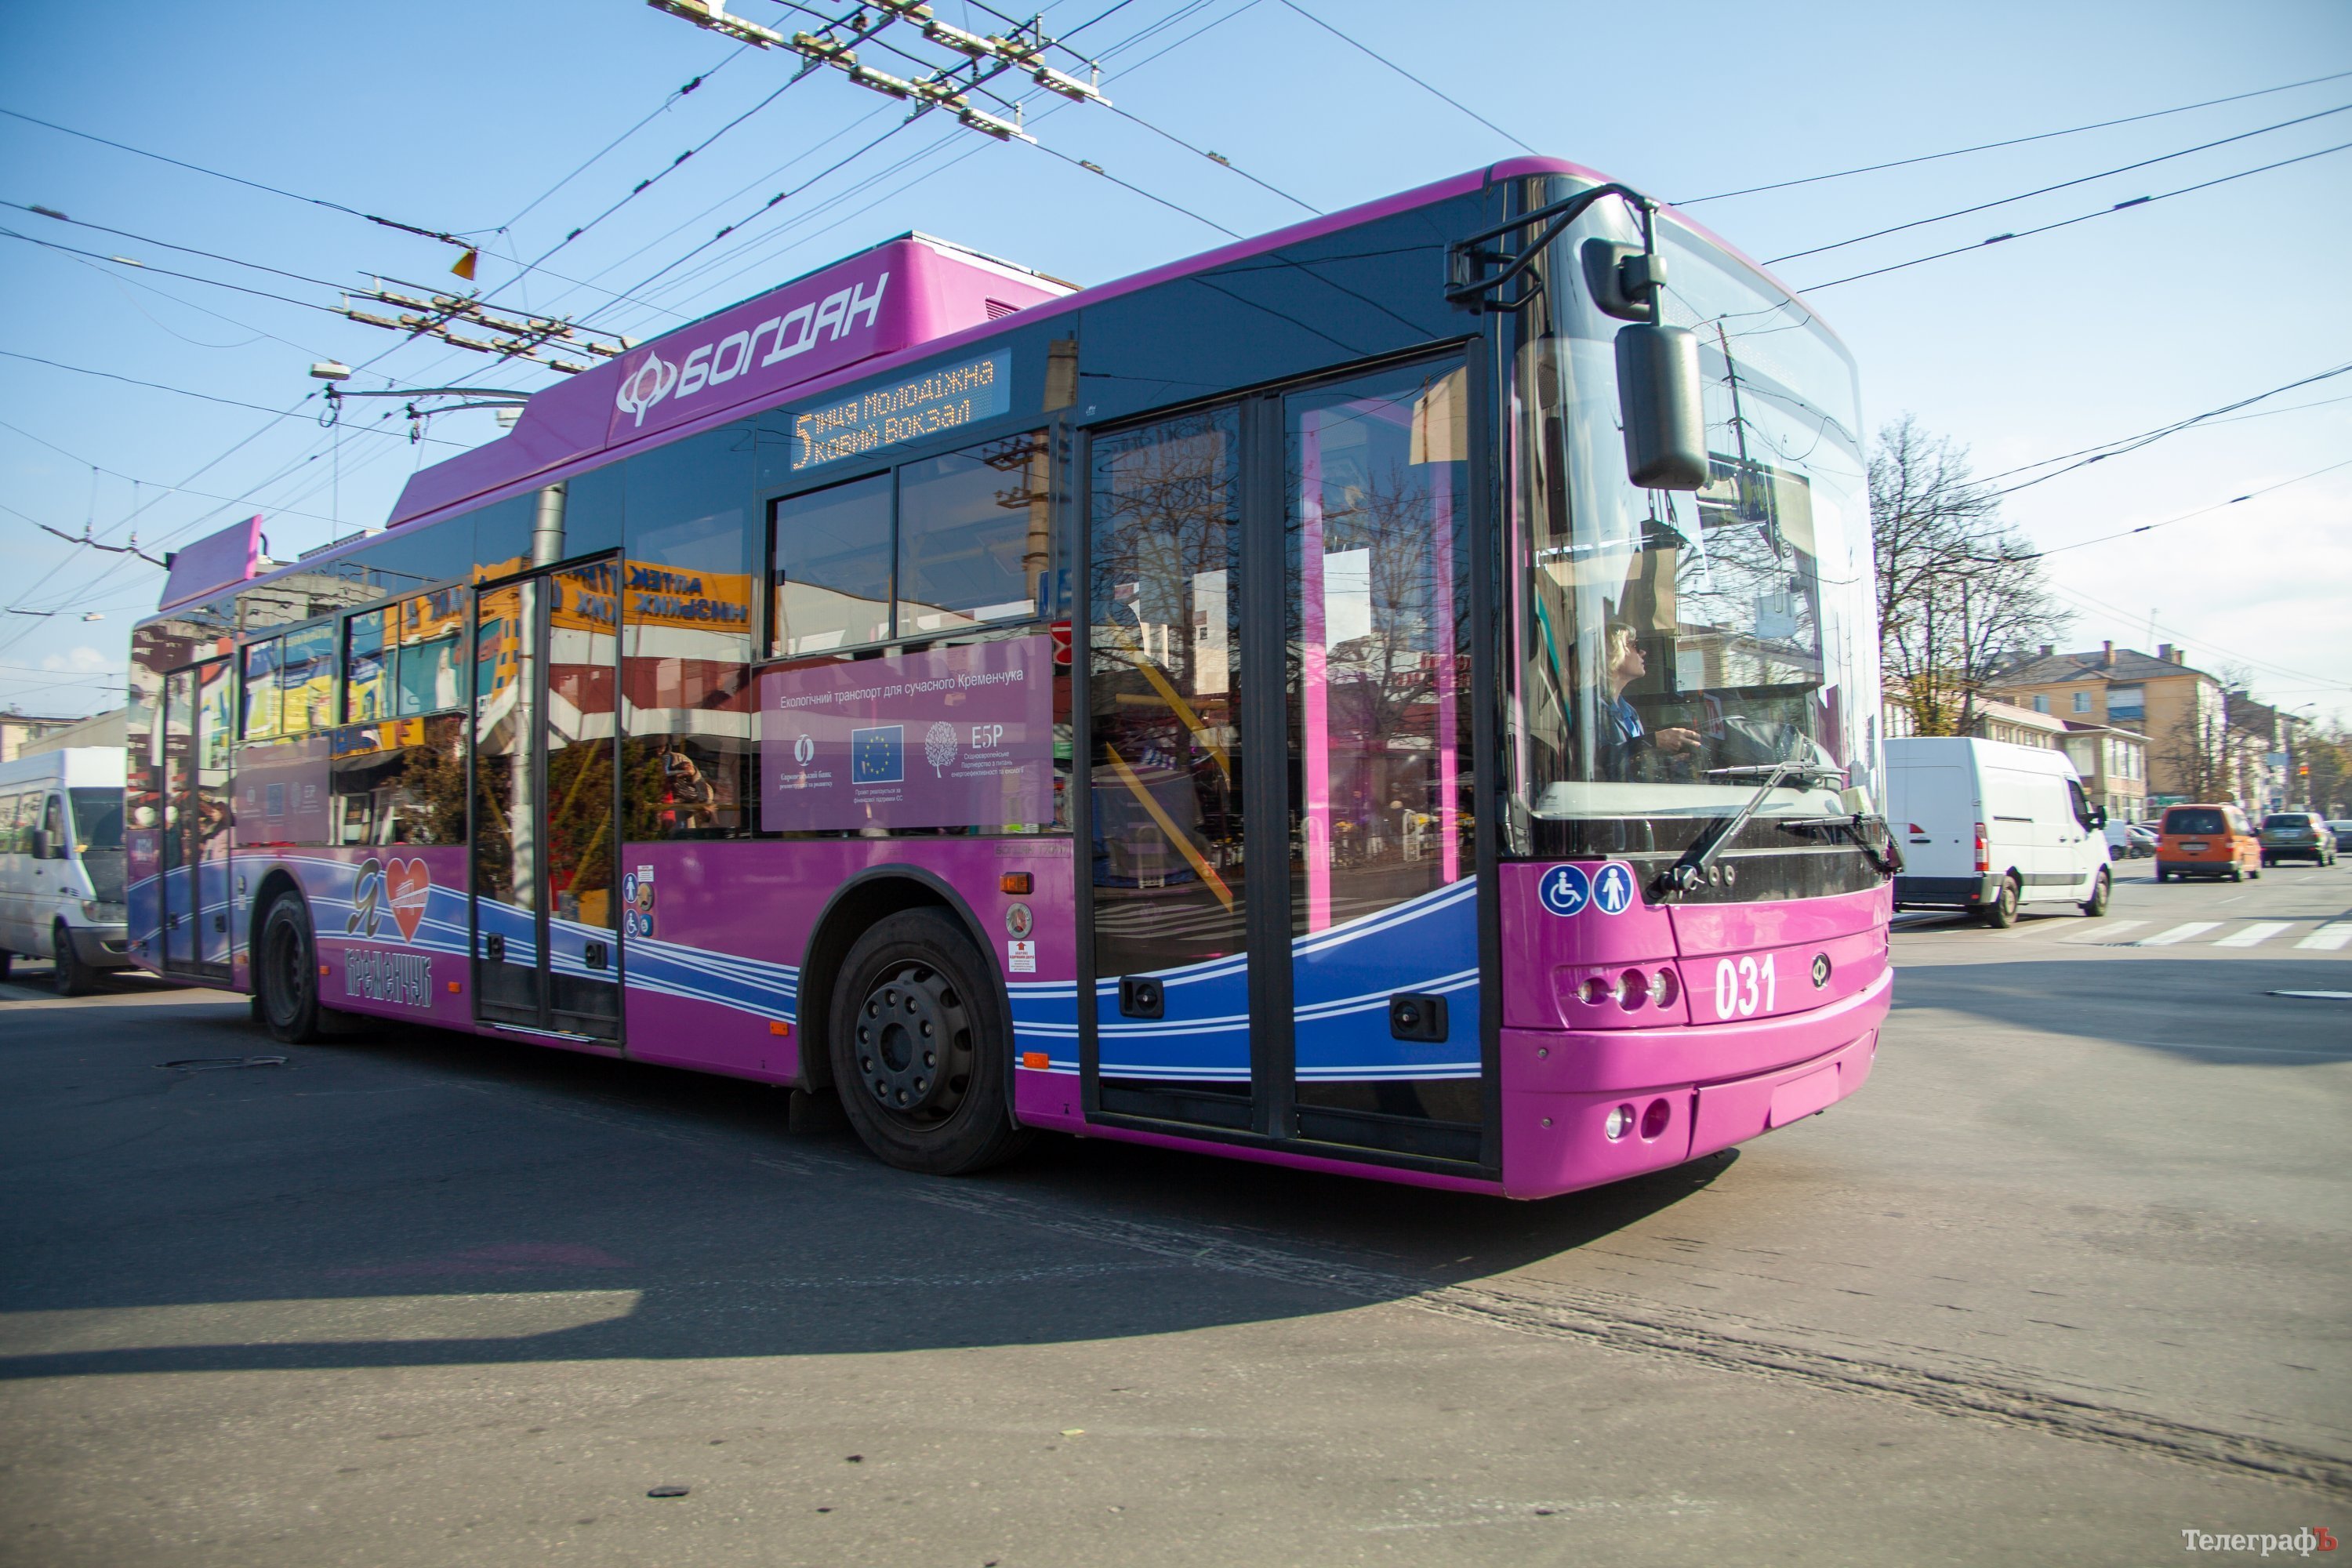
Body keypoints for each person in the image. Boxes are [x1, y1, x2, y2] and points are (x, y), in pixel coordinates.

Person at [1601, 620, 1700, 779]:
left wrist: (1669, 763)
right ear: (1613, 651)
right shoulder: (1593, 707)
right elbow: (1596, 762)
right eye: (1635, 645)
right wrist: (1652, 740)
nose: (1643, 652)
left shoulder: (1630, 713)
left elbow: (1632, 762)